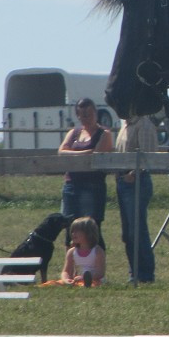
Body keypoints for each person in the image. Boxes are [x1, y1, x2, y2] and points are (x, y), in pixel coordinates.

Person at [58, 98, 114, 240]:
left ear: (96, 113)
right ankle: (71, 260)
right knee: (70, 228)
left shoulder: (104, 134)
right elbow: (61, 152)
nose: (87, 118)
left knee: (90, 229)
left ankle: (94, 260)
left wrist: (74, 154)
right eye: (83, 115)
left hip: (92, 187)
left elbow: (95, 156)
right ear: (78, 116)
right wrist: (84, 153)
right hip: (71, 185)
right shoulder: (73, 133)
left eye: (89, 114)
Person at [115, 115, 157, 284]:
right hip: (122, 181)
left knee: (137, 230)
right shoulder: (124, 125)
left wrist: (133, 174)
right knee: (128, 232)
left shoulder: (144, 124)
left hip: (136, 182)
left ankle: (145, 273)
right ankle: (134, 271)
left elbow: (147, 156)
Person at [59, 217, 106, 286]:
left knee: (92, 284)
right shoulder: (71, 252)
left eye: (76, 231)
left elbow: (100, 272)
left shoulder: (97, 251)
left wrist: (84, 278)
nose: (73, 234)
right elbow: (66, 271)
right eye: (72, 231)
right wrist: (66, 279)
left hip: (94, 280)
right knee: (53, 283)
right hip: (76, 280)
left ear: (88, 233)